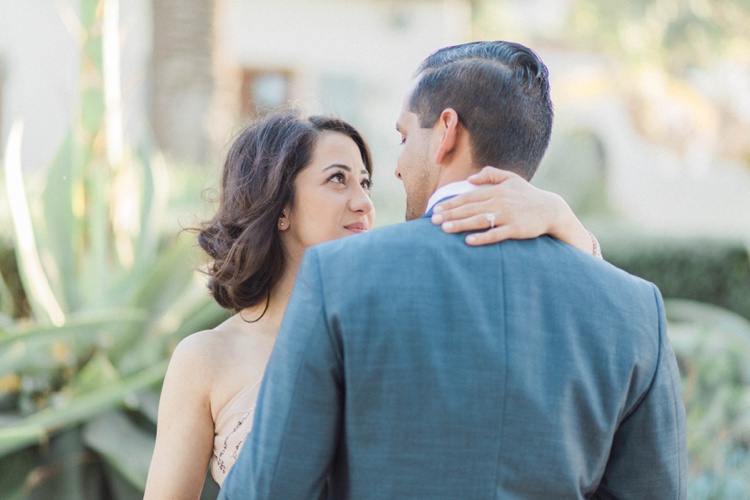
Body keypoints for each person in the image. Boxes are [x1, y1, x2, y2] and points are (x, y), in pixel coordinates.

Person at [219, 41, 686, 499]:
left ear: (446, 132)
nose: (398, 168)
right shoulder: (635, 308)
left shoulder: (338, 277)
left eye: (404, 138)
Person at [143, 109, 600, 498]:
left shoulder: (400, 321)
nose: (364, 202)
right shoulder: (205, 360)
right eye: (338, 180)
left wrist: (562, 218)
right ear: (279, 206)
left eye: (365, 182)